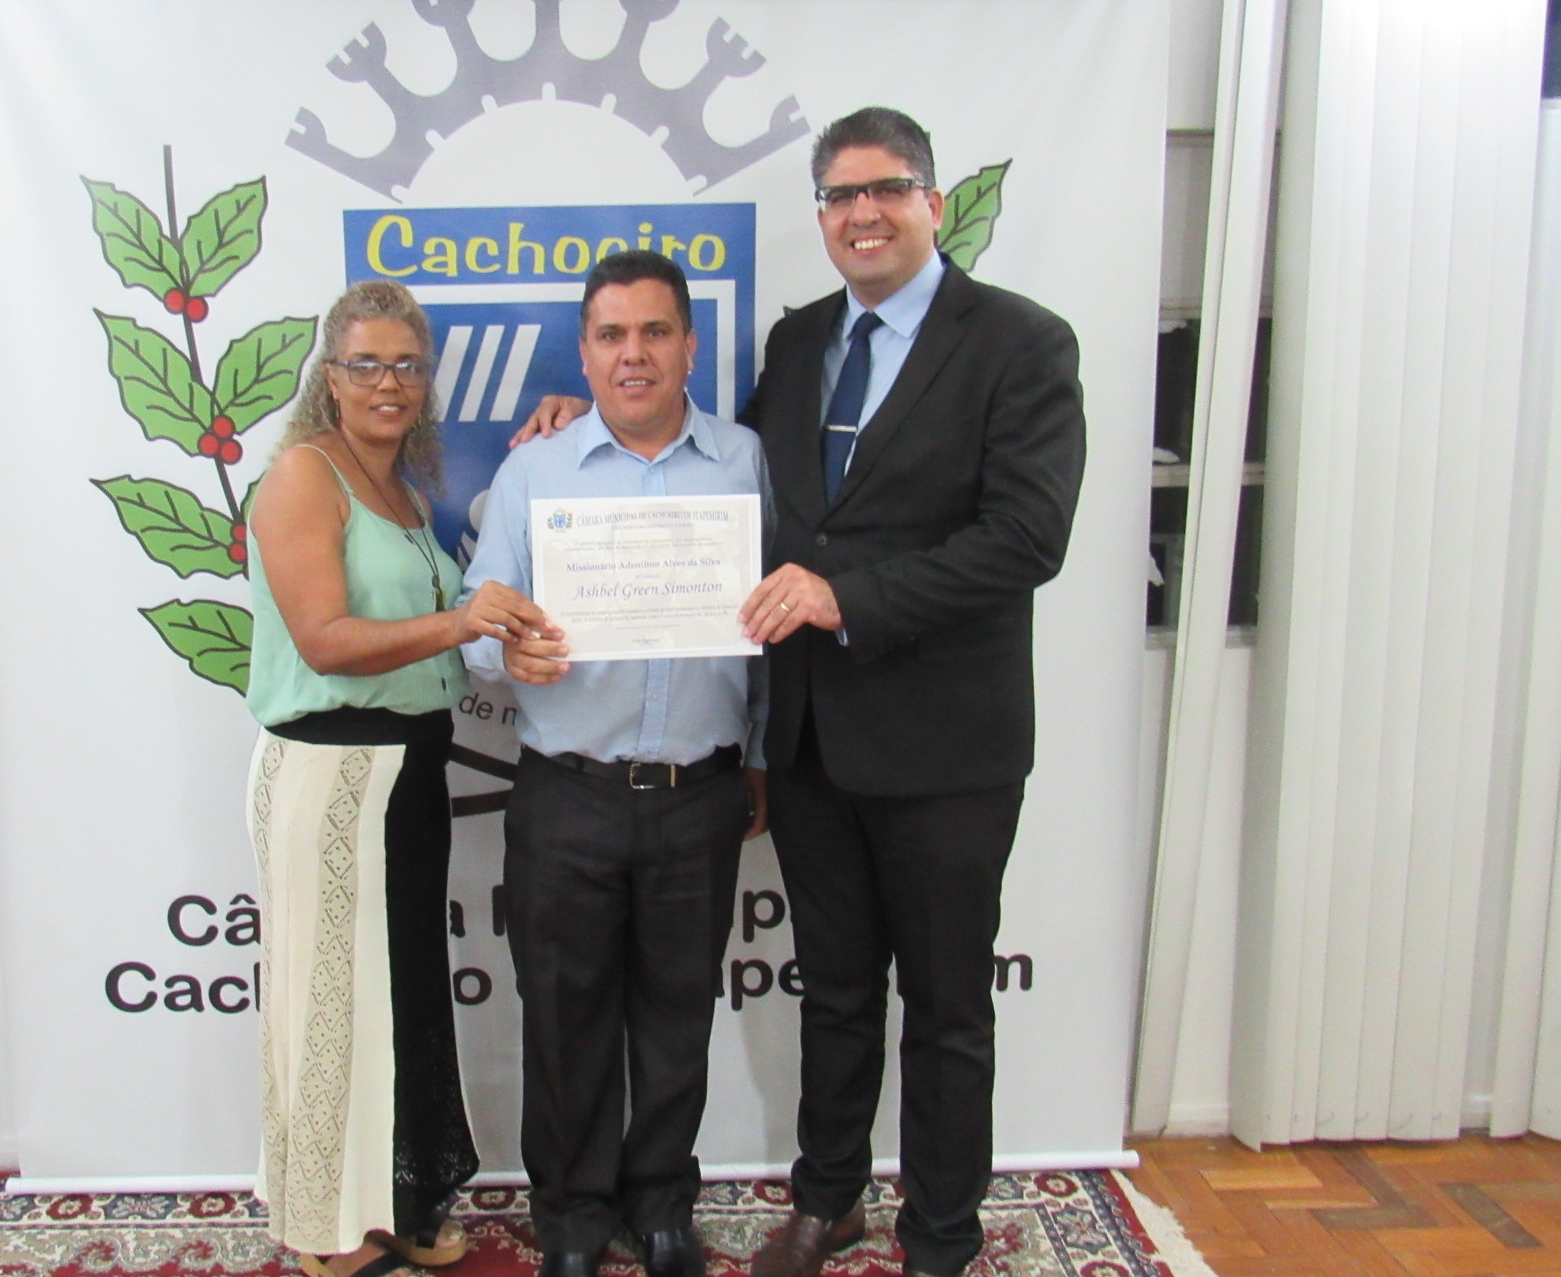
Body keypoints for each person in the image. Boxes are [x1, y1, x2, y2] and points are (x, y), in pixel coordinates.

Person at [515, 108, 1085, 1277]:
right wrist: (585, 422)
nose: (862, 213)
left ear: (932, 203)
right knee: (833, 994)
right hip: (817, 746)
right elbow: (727, 489)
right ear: (820, 214)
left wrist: (844, 598)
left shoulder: (1019, 342)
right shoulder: (800, 340)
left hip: (946, 748)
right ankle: (827, 1202)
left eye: (886, 189)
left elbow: (1027, 538)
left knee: (945, 1010)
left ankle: (937, 1235)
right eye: (839, 195)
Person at [462, 250, 771, 1277]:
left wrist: (763, 755)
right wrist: (505, 650)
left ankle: (662, 1207)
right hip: (568, 792)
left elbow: (775, 622)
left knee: (678, 1016)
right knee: (564, 1020)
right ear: (585, 354)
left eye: (653, 332)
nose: (632, 354)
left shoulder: (745, 463)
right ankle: (570, 1220)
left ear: (689, 346)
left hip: (700, 792)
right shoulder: (533, 471)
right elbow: (477, 623)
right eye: (611, 335)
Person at [245, 280, 552, 1277]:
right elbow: (325, 641)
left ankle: (403, 1199)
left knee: (404, 997)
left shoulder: (405, 495)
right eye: (365, 363)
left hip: (408, 770)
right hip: (330, 772)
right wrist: (462, 621)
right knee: (330, 1005)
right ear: (328, 377)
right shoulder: (303, 476)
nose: (388, 383)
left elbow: (427, 642)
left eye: (406, 365)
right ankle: (324, 1228)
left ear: (426, 382)